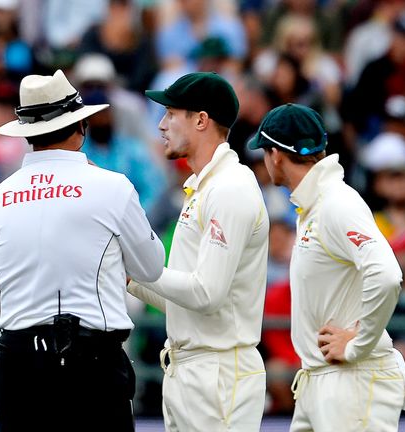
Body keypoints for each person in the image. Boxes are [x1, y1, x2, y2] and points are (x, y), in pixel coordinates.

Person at [0, 69, 165, 432]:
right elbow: (151, 268)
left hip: (17, 361)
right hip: (89, 361)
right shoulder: (111, 186)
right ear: (79, 127)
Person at [247, 103, 405, 431]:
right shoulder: (317, 205)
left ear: (275, 156)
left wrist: (357, 342)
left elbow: (388, 276)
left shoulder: (336, 203)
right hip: (323, 382)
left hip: (353, 381)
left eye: (264, 153)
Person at [128, 71, 270, 431]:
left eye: (171, 113)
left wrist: (143, 271)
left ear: (201, 120)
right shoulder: (204, 187)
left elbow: (206, 294)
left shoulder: (229, 188)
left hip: (218, 375)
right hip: (194, 370)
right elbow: (184, 303)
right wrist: (129, 276)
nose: (161, 125)